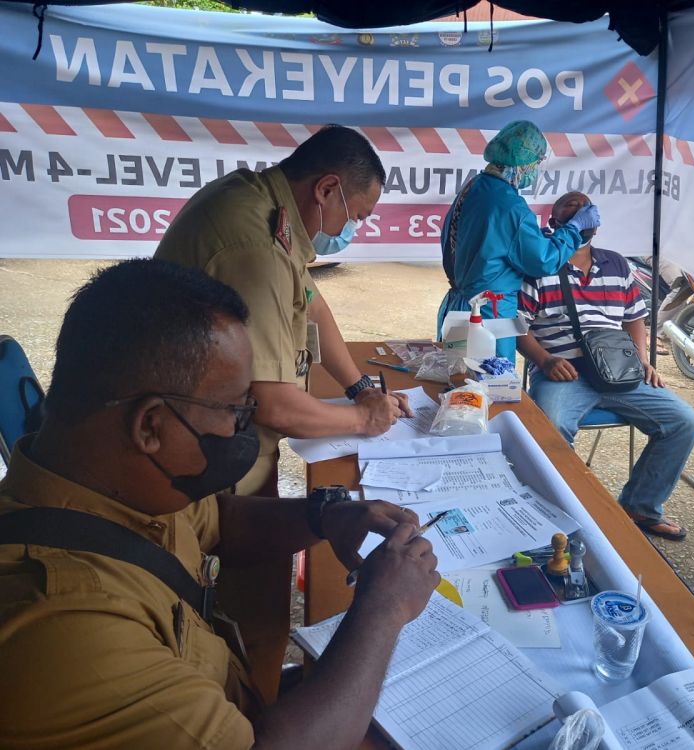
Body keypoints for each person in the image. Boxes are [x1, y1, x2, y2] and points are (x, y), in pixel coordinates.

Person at [0, 259, 440, 749]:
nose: (241, 427)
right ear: (150, 426)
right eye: (234, 409)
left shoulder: (112, 483)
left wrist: (326, 514)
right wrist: (382, 608)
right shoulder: (68, 630)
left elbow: (219, 522)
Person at [155, 124, 412, 699]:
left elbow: (310, 302)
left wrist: (359, 388)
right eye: (357, 214)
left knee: (277, 570)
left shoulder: (268, 208)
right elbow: (272, 403)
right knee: (260, 613)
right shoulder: (254, 249)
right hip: (202, 459)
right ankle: (254, 705)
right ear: (326, 189)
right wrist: (364, 421)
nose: (353, 228)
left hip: (219, 438)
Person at [518, 192, 694, 541]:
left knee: (683, 422)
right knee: (551, 428)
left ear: (595, 225)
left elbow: (635, 318)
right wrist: (545, 360)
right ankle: (564, 514)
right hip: (563, 373)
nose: (578, 210)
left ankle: (640, 507)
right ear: (553, 223)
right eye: (568, 207)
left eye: (584, 208)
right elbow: (518, 326)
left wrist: (642, 360)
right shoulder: (538, 266)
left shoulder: (617, 264)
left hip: (618, 371)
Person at [437, 120, 600, 362]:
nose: (536, 169)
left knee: (459, 381)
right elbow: (543, 260)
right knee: (489, 387)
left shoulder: (474, 187)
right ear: (523, 164)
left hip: (460, 308)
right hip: (487, 315)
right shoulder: (510, 207)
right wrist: (574, 229)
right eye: (537, 162)